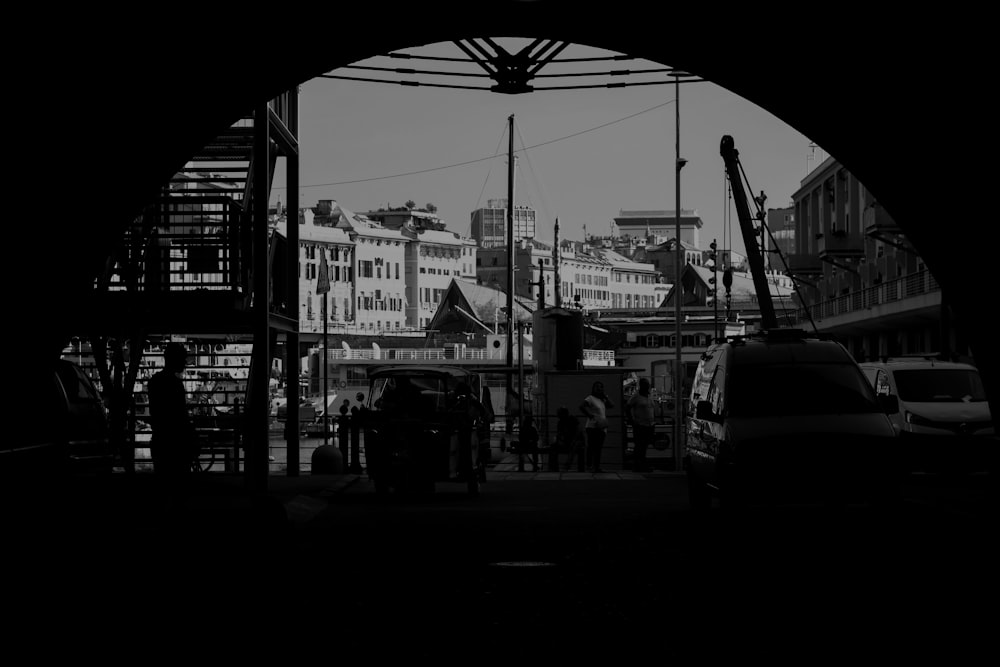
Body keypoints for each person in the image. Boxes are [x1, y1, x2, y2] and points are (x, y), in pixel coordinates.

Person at [147, 342, 199, 492]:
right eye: (183, 359)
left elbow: (157, 413)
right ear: (174, 359)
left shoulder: (155, 382)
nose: (185, 363)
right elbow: (180, 415)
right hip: (176, 444)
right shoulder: (175, 384)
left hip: (161, 441)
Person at [580, 380, 613, 473]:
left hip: (601, 426)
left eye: (601, 387)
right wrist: (590, 415)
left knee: (598, 447)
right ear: (593, 388)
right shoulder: (590, 398)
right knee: (591, 446)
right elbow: (582, 406)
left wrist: (605, 396)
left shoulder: (602, 399)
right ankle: (590, 465)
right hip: (592, 426)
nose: (599, 388)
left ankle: (597, 466)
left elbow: (611, 405)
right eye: (597, 387)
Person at [626, 377, 656, 472]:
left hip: (650, 425)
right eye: (645, 384)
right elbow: (627, 407)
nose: (647, 386)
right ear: (641, 385)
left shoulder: (650, 396)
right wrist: (631, 420)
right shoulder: (636, 396)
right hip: (640, 425)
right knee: (639, 446)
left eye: (647, 384)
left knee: (645, 446)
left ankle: (642, 465)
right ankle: (638, 466)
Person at [556, 406, 585, 472]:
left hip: (578, 440)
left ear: (564, 414)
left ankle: (567, 465)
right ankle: (553, 466)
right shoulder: (560, 422)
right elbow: (559, 434)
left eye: (559, 414)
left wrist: (573, 440)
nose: (558, 416)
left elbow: (579, 431)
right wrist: (559, 440)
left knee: (574, 445)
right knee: (553, 446)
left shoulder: (573, 419)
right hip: (568, 441)